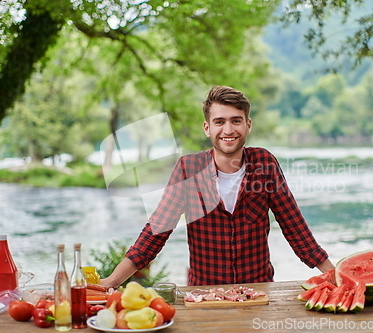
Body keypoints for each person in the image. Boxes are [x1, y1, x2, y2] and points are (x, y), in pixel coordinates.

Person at [101, 85, 334, 287]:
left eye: (236, 121)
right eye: (219, 122)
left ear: (248, 125)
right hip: (204, 296)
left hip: (258, 293)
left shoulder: (265, 164)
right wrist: (111, 282)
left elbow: (295, 227)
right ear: (207, 128)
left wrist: (335, 276)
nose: (228, 130)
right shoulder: (188, 169)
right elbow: (155, 233)